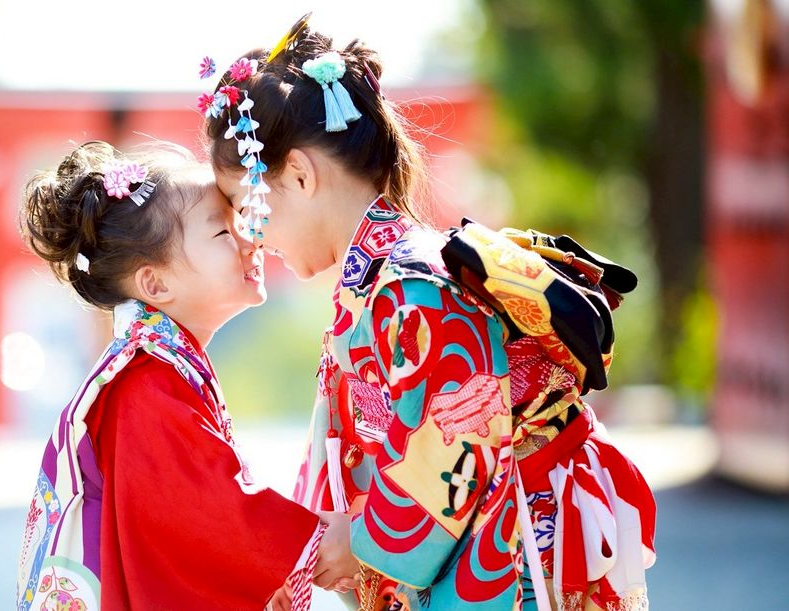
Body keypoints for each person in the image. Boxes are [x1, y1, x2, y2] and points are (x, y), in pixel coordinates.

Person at [200, 16, 656, 611]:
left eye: (249, 207)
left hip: (516, 540)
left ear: (302, 175)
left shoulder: (411, 283)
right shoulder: (380, 280)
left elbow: (457, 439)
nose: (252, 236)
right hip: (481, 533)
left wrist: (360, 539)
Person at [14, 140, 356, 611]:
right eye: (222, 232)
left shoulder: (156, 370)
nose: (251, 240)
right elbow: (214, 512)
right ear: (156, 283)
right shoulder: (145, 384)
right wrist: (322, 541)